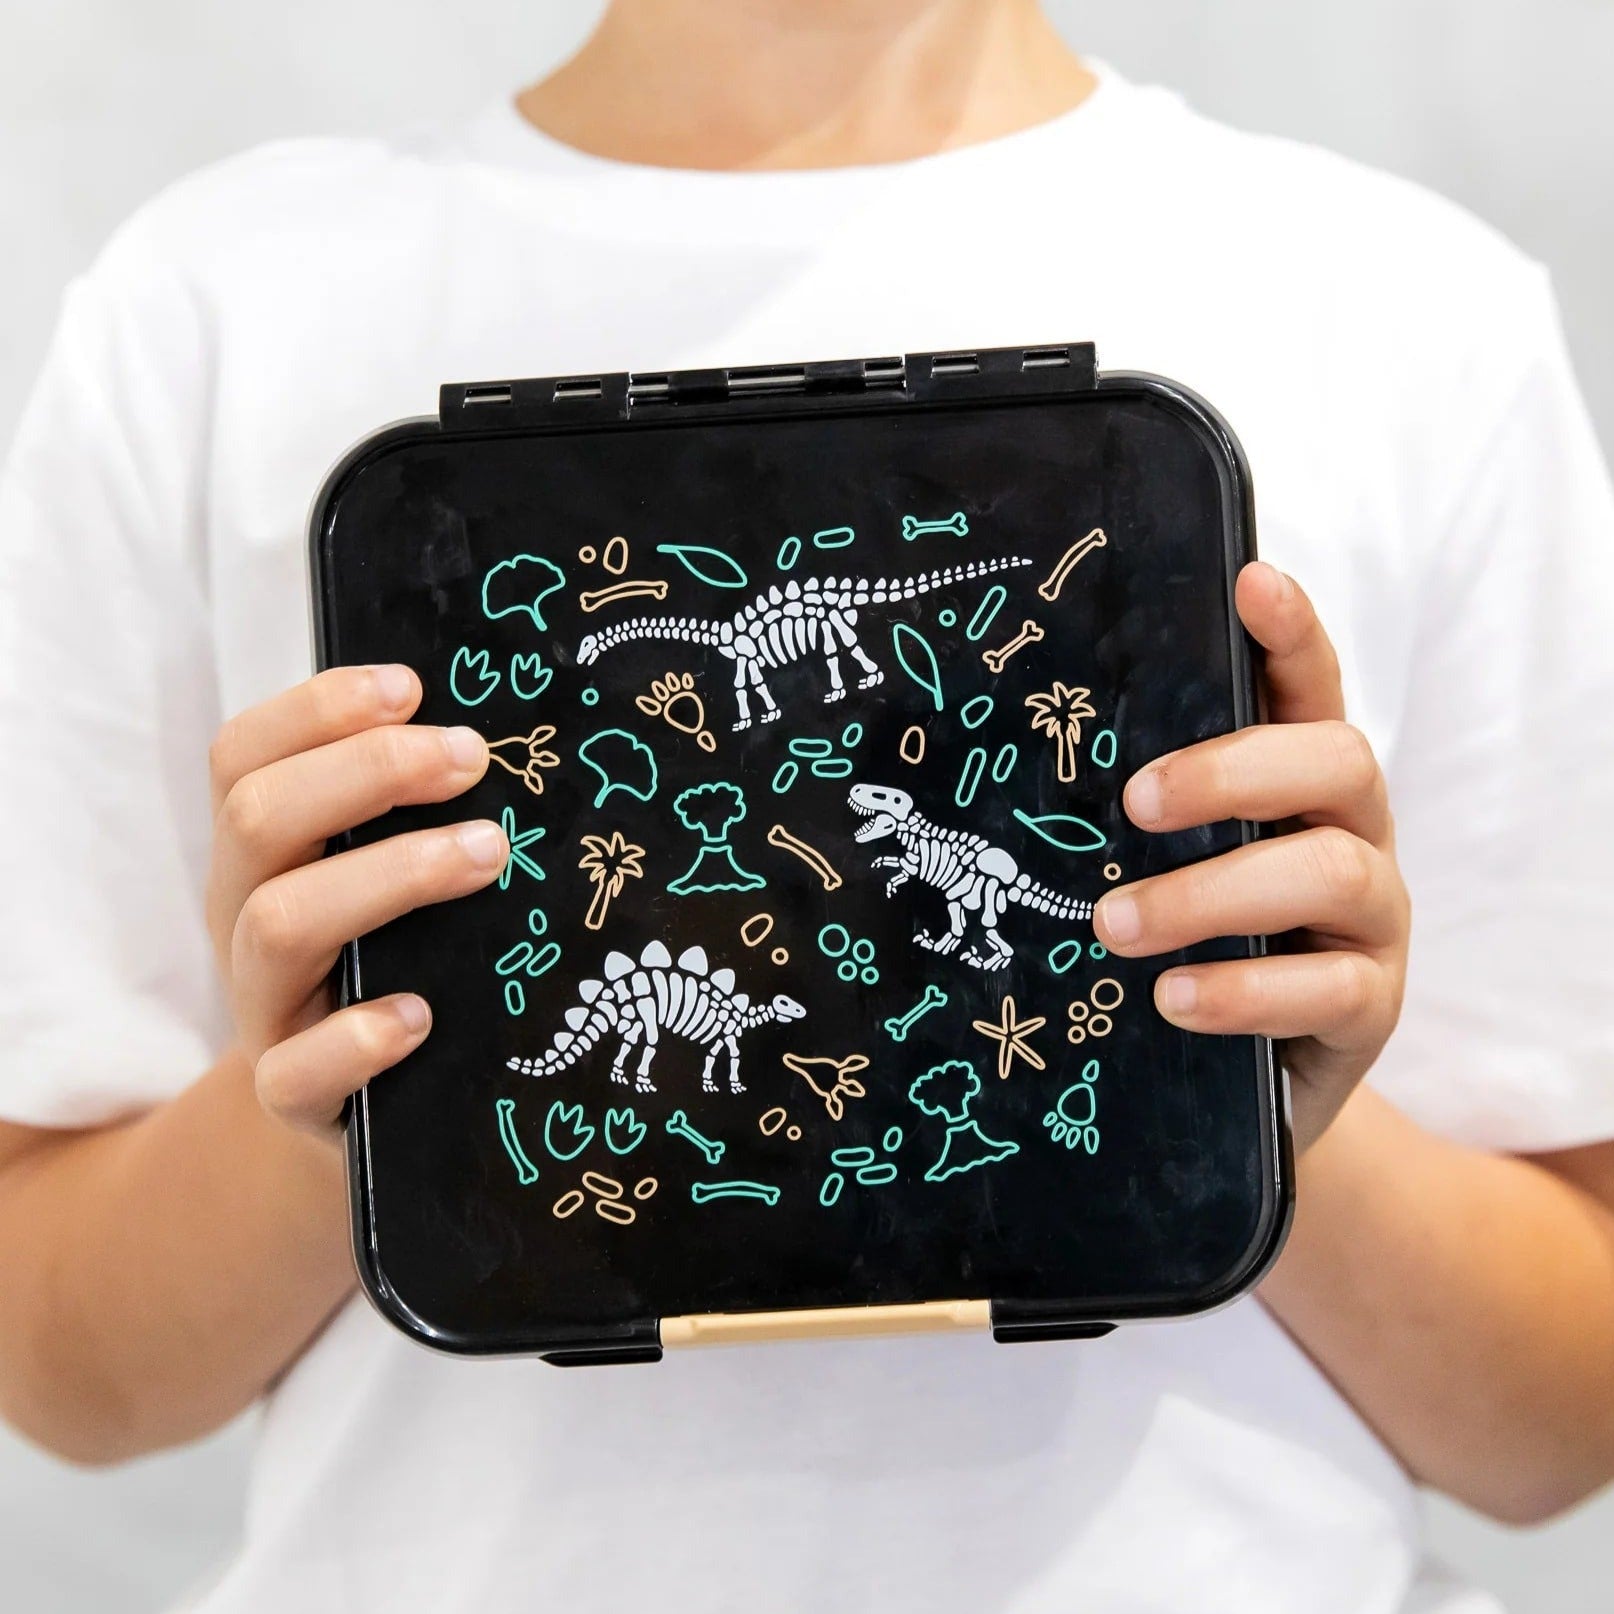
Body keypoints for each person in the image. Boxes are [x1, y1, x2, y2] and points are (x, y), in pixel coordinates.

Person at [1, 3, 1612, 1610]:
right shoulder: (213, 306)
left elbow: (1559, 1417)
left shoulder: (1408, 310)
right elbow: (65, 1362)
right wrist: (345, 1089)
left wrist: (1241, 1081)